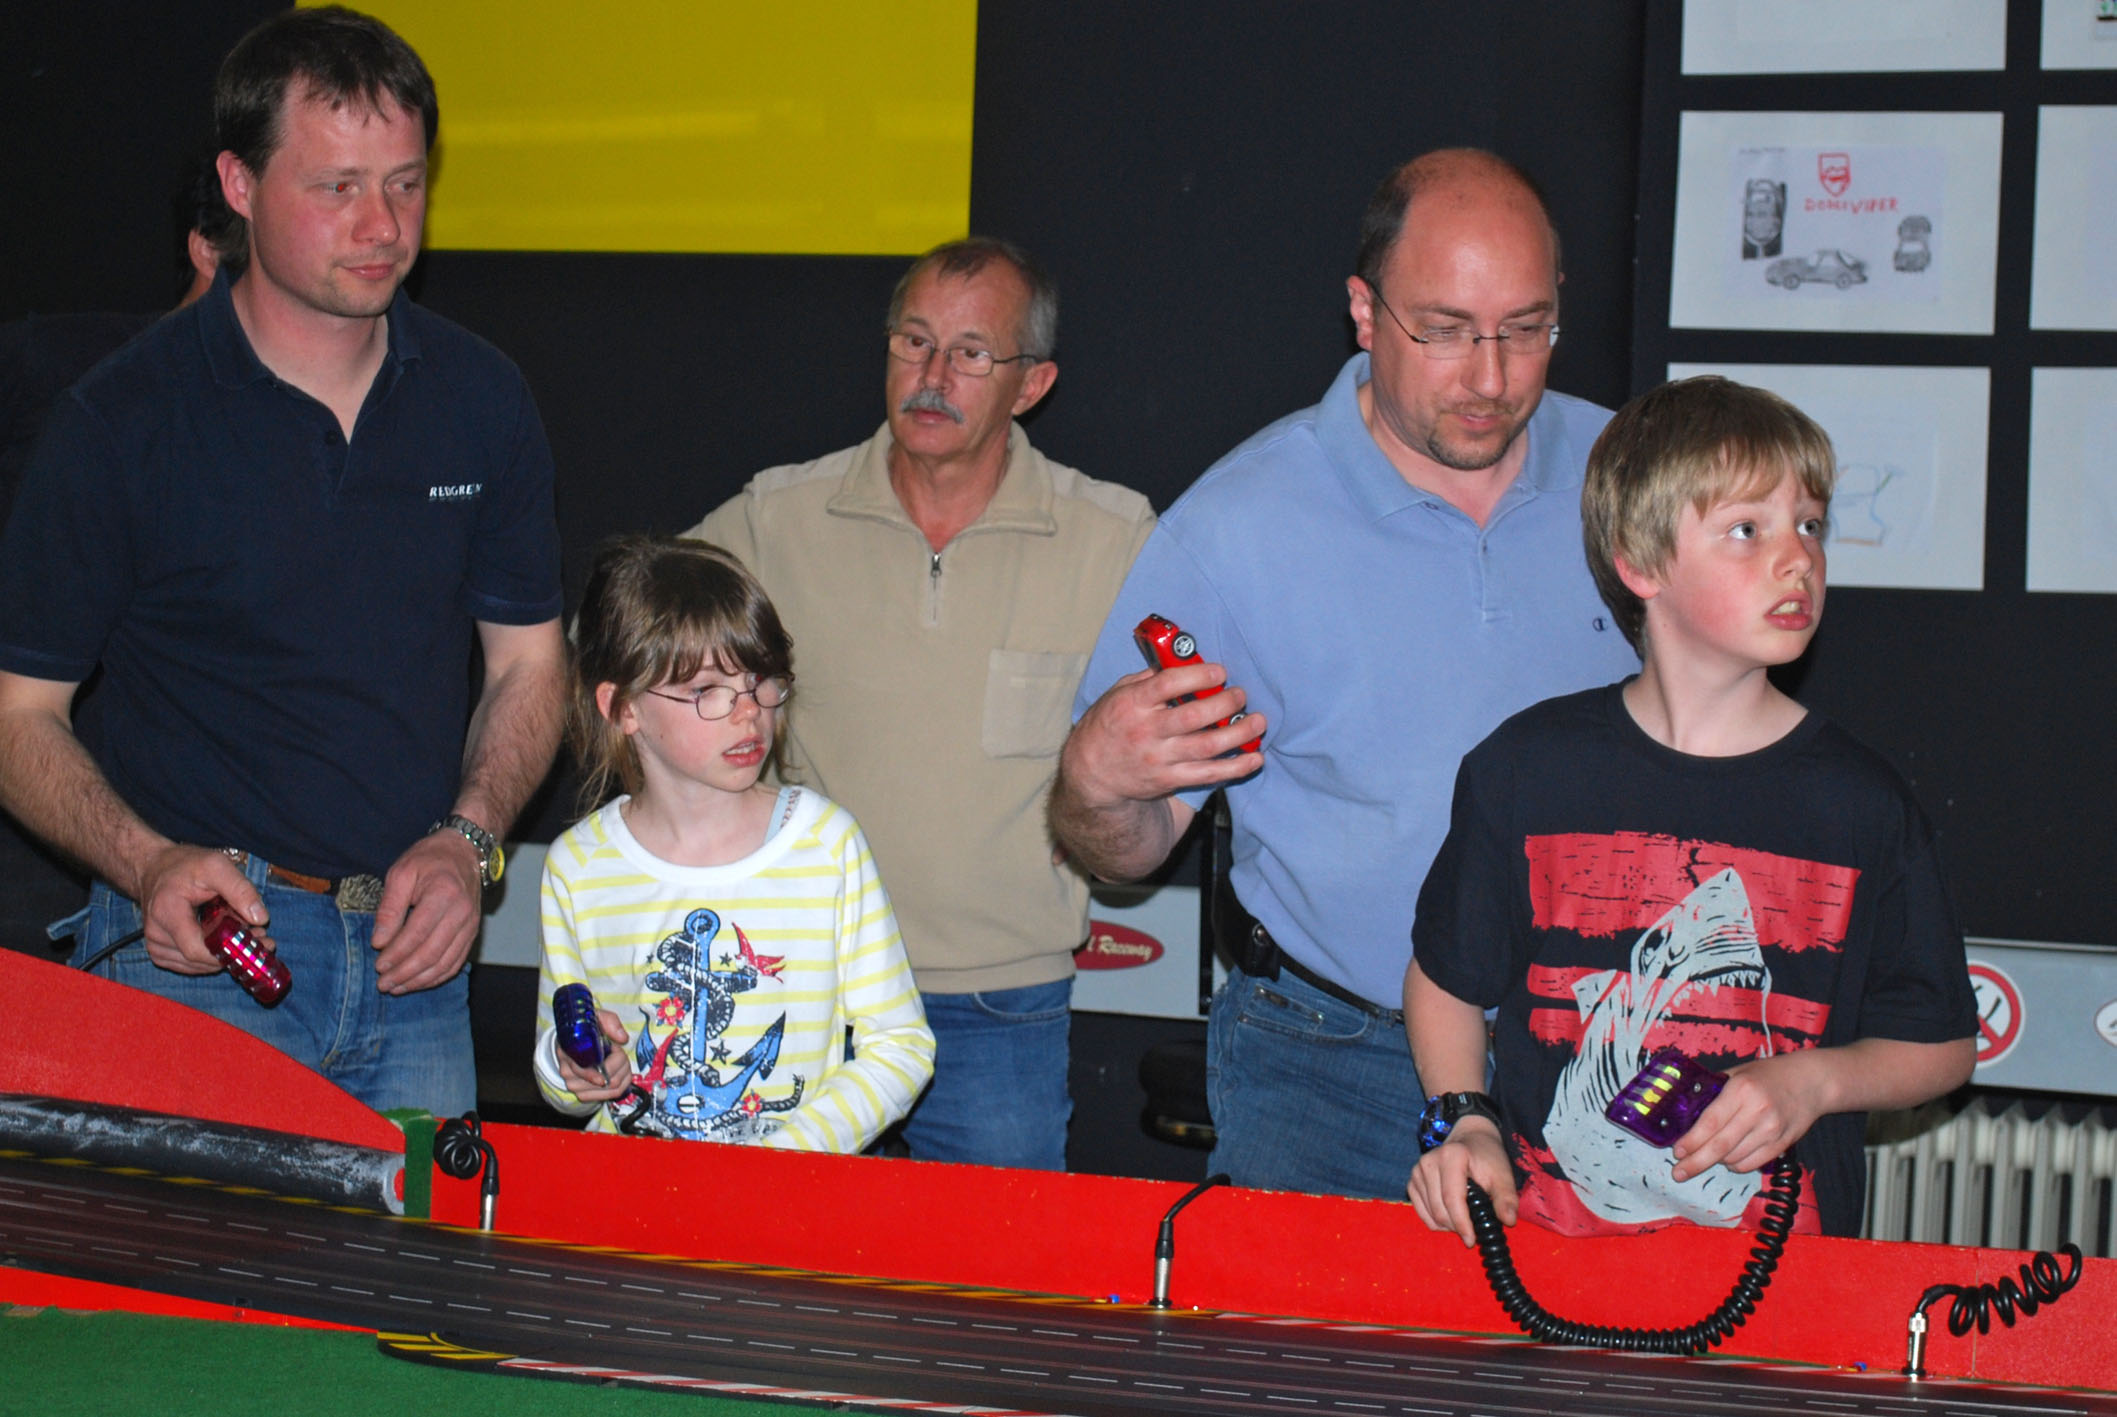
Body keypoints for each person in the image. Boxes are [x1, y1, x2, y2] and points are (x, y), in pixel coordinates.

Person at [0, 6, 565, 1115]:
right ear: (240, 185)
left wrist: (469, 842)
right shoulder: (123, 418)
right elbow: (19, 715)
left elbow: (528, 666)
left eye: (405, 183)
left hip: (416, 962)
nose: (381, 224)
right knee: (182, 1245)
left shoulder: (481, 397)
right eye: (336, 186)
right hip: (195, 955)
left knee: (419, 1241)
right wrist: (146, 864)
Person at [1050, 149, 1639, 1199]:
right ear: (1363, 313)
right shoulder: (1232, 530)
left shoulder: (1634, 478)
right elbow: (1125, 848)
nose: (1491, 377)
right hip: (1330, 1065)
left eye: (1524, 328)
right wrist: (1094, 784)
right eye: (1444, 330)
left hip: (1601, 1052)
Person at [1403, 375, 1976, 1241]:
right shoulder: (1527, 769)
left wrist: (1811, 1082)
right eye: (1747, 529)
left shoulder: (1861, 803)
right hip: (1546, 1265)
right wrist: (1466, 1118)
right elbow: (1445, 981)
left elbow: (1941, 1043)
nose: (1797, 559)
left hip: (1778, 1278)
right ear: (1640, 564)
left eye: (1809, 525)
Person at [690, 237, 1153, 1170]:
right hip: (796, 993)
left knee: (993, 1264)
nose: (932, 377)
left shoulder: (1113, 538)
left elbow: (1194, 726)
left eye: (971, 353)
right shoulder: (777, 518)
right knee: (780, 1256)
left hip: (998, 1007)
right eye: (914, 341)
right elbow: (626, 649)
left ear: (1031, 384)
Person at [533, 536, 934, 1149]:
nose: (749, 712)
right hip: (634, 1189)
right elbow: (561, 1079)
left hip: (788, 1191)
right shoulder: (579, 867)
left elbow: (901, 1046)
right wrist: (574, 1066)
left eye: (760, 680)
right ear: (623, 708)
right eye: (708, 690)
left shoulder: (826, 847)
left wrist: (785, 1159)